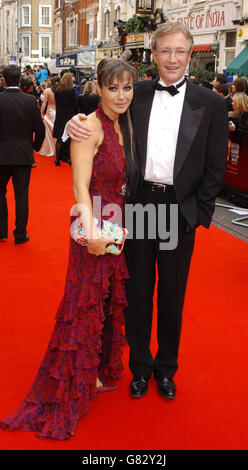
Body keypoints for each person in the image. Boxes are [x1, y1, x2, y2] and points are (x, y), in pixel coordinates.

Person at [66, 22, 229, 400]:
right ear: (153, 55)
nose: (172, 59)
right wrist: (72, 123)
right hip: (137, 205)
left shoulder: (211, 103)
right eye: (165, 51)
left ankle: (166, 368)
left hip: (178, 210)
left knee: (172, 295)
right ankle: (139, 366)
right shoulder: (133, 93)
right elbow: (98, 117)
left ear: (191, 55)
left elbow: (214, 166)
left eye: (180, 52)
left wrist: (197, 215)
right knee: (137, 292)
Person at [0, 58, 137, 440]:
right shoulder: (88, 128)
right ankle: (73, 381)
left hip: (118, 228)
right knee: (84, 305)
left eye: (127, 88)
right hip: (94, 231)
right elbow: (79, 188)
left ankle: (93, 368)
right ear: (99, 87)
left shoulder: (124, 124)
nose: (121, 95)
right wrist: (93, 235)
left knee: (107, 302)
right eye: (113, 88)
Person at [0, 65, 45, 244]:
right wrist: (33, 147)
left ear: (3, 78)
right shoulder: (29, 101)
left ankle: (1, 231)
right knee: (21, 195)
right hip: (22, 155)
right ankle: (20, 235)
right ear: (19, 79)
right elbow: (40, 130)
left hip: (1, 155)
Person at [53, 72, 78, 165]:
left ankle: (57, 159)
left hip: (59, 115)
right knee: (69, 138)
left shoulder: (57, 90)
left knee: (59, 138)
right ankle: (71, 159)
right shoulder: (71, 91)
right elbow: (75, 104)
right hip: (69, 115)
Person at [39, 77, 57, 157]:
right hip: (57, 112)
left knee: (48, 131)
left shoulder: (47, 91)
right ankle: (57, 149)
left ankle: (49, 148)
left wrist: (40, 113)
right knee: (55, 130)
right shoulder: (58, 90)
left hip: (50, 112)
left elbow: (44, 103)